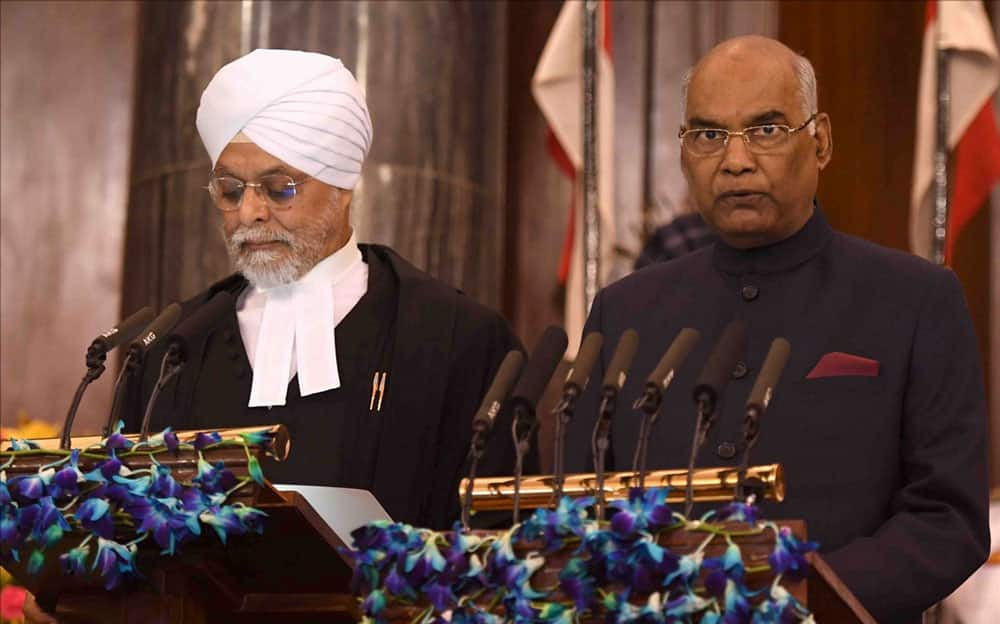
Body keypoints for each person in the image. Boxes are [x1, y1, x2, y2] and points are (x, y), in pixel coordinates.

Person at [566, 36, 989, 622]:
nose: (735, 160)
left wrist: (800, 594)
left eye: (766, 130)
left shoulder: (916, 300)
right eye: (710, 135)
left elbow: (948, 519)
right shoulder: (625, 313)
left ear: (821, 142)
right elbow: (579, 508)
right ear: (685, 152)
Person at [125, 49, 524, 530]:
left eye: (279, 188)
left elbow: (499, 544)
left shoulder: (459, 340)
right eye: (231, 190)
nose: (250, 213)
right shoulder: (173, 350)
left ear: (342, 186)